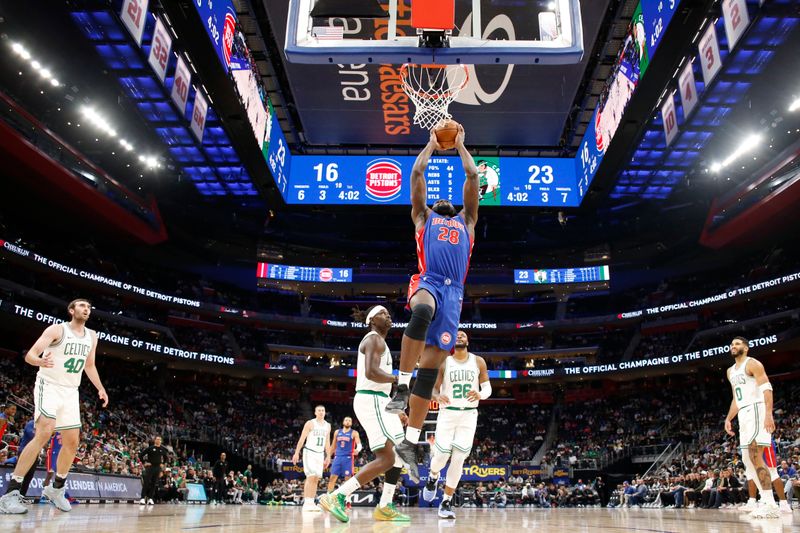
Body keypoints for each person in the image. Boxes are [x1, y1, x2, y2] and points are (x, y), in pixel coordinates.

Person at [386, 124, 480, 484]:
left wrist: (459, 144)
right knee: (421, 310)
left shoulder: (467, 221)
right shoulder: (423, 217)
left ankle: (410, 441)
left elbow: (471, 173)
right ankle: (401, 385)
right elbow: (416, 172)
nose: (443, 202)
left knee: (430, 374)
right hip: (427, 283)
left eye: (448, 202)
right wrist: (429, 144)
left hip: (455, 294)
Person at [0, 298, 107, 515]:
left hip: (70, 391)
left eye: (89, 307)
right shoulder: (57, 329)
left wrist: (100, 388)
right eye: (82, 306)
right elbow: (30, 355)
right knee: (44, 432)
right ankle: (11, 493)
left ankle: (56, 488)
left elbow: (89, 365)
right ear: (71, 310)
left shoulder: (92, 336)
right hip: (48, 386)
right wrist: (39, 361)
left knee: (72, 441)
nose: (86, 309)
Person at [318, 306, 411, 523]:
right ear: (371, 319)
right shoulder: (373, 339)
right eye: (383, 313)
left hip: (377, 400)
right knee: (400, 452)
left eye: (389, 313)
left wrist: (395, 408)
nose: (388, 315)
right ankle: (338, 496)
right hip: (372, 399)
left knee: (392, 457)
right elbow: (370, 372)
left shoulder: (381, 342)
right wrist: (397, 379)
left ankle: (384, 506)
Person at [422, 330, 490, 519]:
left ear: (468, 340)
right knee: (442, 455)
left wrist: (481, 394)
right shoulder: (445, 361)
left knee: (459, 458)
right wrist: (437, 396)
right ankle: (433, 476)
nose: (460, 336)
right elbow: (434, 390)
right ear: (452, 341)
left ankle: (446, 502)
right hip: (448, 414)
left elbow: (487, 388)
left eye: (463, 334)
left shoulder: (478, 361)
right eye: (457, 334)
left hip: (468, 415)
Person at [724, 336, 785, 518]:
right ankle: (765, 501)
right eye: (731, 344)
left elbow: (767, 388)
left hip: (757, 410)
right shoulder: (730, 371)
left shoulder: (753, 364)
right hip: (743, 413)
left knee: (756, 455)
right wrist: (729, 418)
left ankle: (771, 504)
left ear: (746, 348)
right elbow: (736, 398)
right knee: (747, 461)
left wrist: (768, 414)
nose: (733, 346)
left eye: (737, 344)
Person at [292, 405, 332, 511]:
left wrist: (328, 456)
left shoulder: (328, 426)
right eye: (319, 410)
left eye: (323, 410)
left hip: (320, 454)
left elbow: (327, 442)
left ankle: (311, 502)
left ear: (325, 412)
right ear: (315, 412)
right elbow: (302, 439)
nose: (321, 412)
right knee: (310, 476)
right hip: (309, 452)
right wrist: (296, 453)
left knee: (316, 478)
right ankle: (307, 503)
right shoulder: (310, 423)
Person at [327, 416, 362, 493]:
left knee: (348, 480)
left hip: (348, 458)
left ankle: (347, 500)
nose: (347, 421)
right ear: (343, 422)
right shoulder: (337, 432)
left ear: (351, 423)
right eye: (346, 420)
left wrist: (358, 449)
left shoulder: (354, 433)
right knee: (332, 477)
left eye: (349, 420)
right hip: (337, 457)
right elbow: (333, 446)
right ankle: (328, 496)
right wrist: (328, 457)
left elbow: (359, 444)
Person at [139, 436, 171, 505]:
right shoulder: (150, 448)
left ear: (161, 441)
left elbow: (166, 458)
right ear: (155, 440)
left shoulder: (162, 449)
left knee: (154, 483)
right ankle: (142, 498)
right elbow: (141, 455)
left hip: (157, 468)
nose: (158, 440)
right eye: (157, 439)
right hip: (150, 467)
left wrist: (163, 464)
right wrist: (145, 463)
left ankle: (150, 498)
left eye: (159, 439)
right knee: (146, 483)